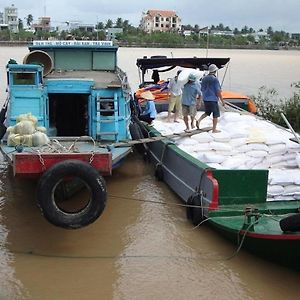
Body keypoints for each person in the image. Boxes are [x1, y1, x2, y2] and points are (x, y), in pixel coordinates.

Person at [196, 64, 225, 133]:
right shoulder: (215, 79)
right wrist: (222, 101)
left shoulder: (204, 78)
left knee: (207, 112)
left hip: (206, 99)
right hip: (213, 99)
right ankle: (214, 129)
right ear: (215, 71)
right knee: (215, 115)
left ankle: (199, 120)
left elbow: (201, 89)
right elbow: (218, 91)